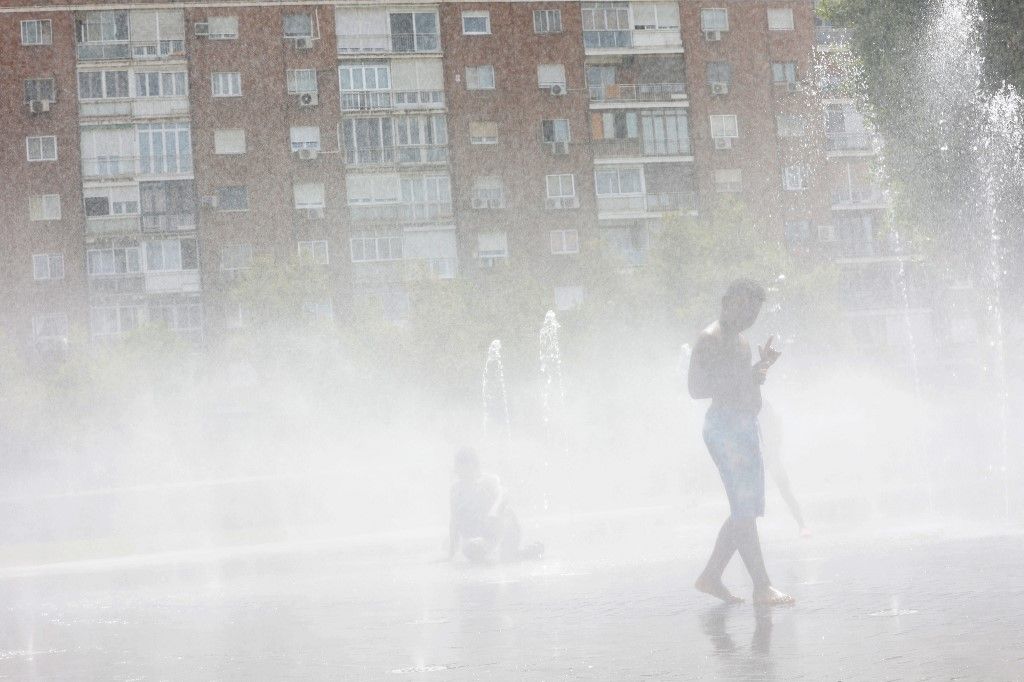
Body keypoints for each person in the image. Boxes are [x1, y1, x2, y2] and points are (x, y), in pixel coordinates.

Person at [688, 279, 794, 606]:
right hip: (724, 428)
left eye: (755, 311)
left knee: (745, 510)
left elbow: (744, 386)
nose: (750, 316)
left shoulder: (742, 341)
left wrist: (760, 368)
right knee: (744, 509)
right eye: (745, 307)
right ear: (728, 302)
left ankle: (711, 576)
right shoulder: (711, 338)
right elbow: (696, 388)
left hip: (744, 426)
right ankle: (761, 586)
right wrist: (746, 376)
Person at [448, 448, 544, 563]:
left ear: (471, 465)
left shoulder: (489, 481)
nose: (457, 471)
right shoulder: (456, 490)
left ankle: (514, 552)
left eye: (459, 467)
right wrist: (451, 552)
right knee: (470, 549)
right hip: (479, 537)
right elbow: (454, 520)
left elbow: (503, 495)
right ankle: (508, 552)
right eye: (457, 467)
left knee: (507, 512)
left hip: (498, 529)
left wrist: (493, 512)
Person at [759, 400, 811, 537]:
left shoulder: (767, 418)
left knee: (785, 492)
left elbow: (776, 441)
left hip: (767, 457)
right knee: (786, 492)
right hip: (764, 457)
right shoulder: (767, 417)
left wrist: (769, 455)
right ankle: (802, 524)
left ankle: (802, 524)